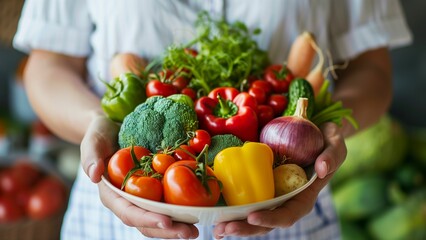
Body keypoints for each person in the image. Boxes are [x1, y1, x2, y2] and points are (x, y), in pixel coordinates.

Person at [13, 0, 412, 239]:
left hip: (289, 214)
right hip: (117, 213)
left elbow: (372, 68)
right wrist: (95, 121)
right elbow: (47, 65)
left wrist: (328, 130)